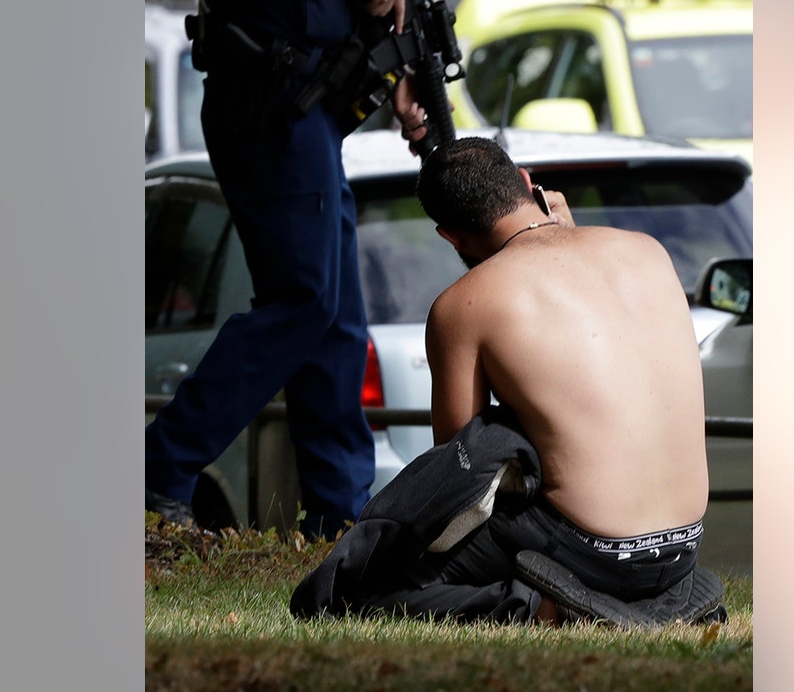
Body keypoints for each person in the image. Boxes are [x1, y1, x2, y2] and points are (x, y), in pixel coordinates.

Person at [145, 0, 414, 538]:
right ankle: (155, 474)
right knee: (302, 300)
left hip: (305, 106)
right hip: (269, 101)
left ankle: (342, 521)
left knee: (335, 314)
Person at [289, 137, 722, 626]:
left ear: (449, 236)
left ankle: (542, 609)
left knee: (355, 594)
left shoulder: (464, 304)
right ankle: (649, 601)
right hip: (683, 550)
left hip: (590, 552)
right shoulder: (647, 251)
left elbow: (458, 468)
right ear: (525, 182)